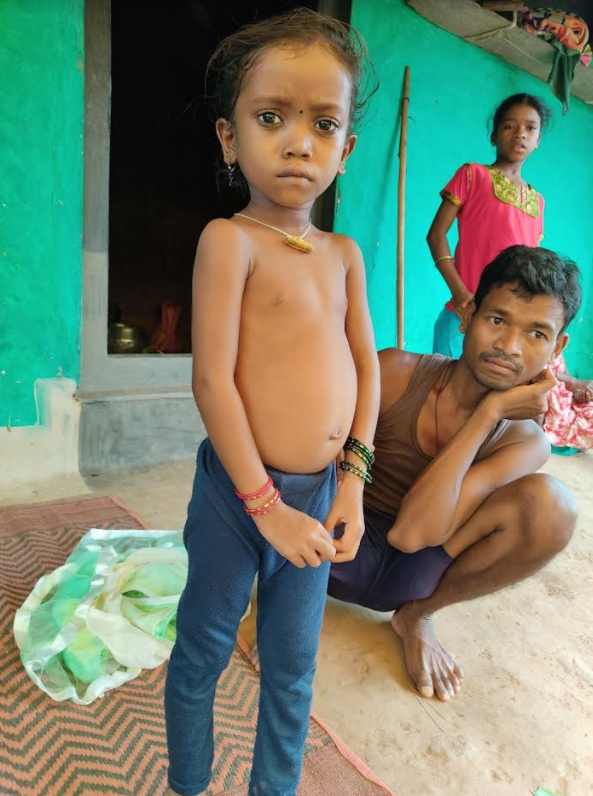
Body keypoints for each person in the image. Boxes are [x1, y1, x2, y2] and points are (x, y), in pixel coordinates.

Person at [164, 10, 380, 796]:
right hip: (236, 495)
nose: (298, 142)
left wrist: (351, 481)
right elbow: (211, 382)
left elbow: (367, 369)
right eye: (269, 118)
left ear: (346, 149)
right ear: (229, 139)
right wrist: (264, 507)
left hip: (320, 499)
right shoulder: (230, 242)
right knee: (204, 651)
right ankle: (189, 785)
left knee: (292, 668)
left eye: (323, 123)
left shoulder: (344, 256)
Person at [328, 245, 580, 702]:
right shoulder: (396, 372)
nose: (509, 347)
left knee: (553, 506)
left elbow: (411, 535)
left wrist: (489, 415)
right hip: (332, 548)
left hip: (414, 575)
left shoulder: (524, 440)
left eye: (537, 333)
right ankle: (278, 593)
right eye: (497, 320)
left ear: (558, 347)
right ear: (468, 314)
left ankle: (417, 617)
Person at [428, 93, 551, 359]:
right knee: (446, 394)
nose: (520, 134)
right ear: (494, 136)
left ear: (538, 140)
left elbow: (531, 270)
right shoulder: (472, 175)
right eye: (509, 126)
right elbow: (435, 235)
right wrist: (461, 295)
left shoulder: (537, 202)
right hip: (464, 317)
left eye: (530, 128)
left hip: (509, 329)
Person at [544, 352, 593, 451]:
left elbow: (565, 374)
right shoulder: (538, 346)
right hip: (553, 399)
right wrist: (575, 381)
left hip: (567, 396)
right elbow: (542, 372)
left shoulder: (557, 347)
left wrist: (577, 392)